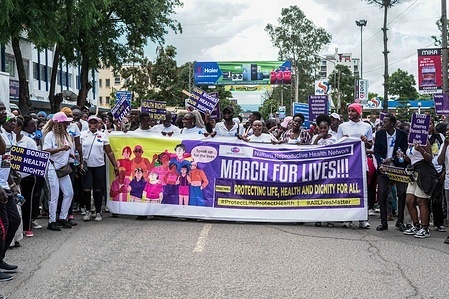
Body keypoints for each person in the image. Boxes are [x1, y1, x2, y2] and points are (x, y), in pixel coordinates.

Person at [336, 103, 372, 229]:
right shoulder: (342, 126)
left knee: (363, 190)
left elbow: (370, 145)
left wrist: (365, 140)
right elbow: (337, 145)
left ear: (359, 112)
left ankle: (363, 219)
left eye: (353, 111)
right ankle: (348, 218)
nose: (350, 113)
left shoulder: (367, 126)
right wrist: (344, 139)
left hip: (361, 162)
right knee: (348, 189)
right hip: (347, 163)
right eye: (349, 111)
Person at [80, 115, 119, 222]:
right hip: (87, 166)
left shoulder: (102, 135)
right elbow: (78, 150)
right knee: (86, 189)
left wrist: (115, 165)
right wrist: (80, 163)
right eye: (90, 123)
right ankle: (88, 210)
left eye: (95, 123)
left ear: (98, 124)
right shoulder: (82, 135)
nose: (93, 125)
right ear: (88, 124)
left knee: (98, 190)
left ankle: (98, 211)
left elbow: (109, 152)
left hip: (99, 166)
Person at [373, 114, 408, 231]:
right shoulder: (379, 134)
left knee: (402, 193)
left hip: (398, 167)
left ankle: (400, 221)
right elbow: (376, 151)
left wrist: (392, 159)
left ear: (392, 124)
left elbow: (403, 149)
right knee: (382, 193)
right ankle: (384, 222)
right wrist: (381, 163)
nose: (383, 124)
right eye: (383, 121)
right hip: (384, 168)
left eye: (386, 122)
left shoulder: (402, 135)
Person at [42, 112, 74, 231]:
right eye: (65, 122)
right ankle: (52, 221)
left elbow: (64, 149)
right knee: (54, 195)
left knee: (69, 193)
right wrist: (61, 149)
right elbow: (45, 151)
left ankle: (62, 217)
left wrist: (69, 154)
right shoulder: (50, 135)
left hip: (62, 167)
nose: (67, 124)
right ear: (59, 124)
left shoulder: (65, 135)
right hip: (52, 167)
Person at [0, 102, 21, 281]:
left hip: (5, 185)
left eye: (3, 109)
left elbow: (5, 162)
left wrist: (12, 185)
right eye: (0, 110)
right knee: (2, 226)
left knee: (14, 221)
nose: (4, 112)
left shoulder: (4, 134)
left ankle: (0, 259)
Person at [403, 140, 437, 238]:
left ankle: (425, 228)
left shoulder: (424, 141)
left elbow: (429, 158)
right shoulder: (410, 142)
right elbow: (412, 159)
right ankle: (416, 225)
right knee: (409, 200)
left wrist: (421, 150)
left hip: (424, 173)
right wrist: (404, 157)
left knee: (421, 201)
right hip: (414, 173)